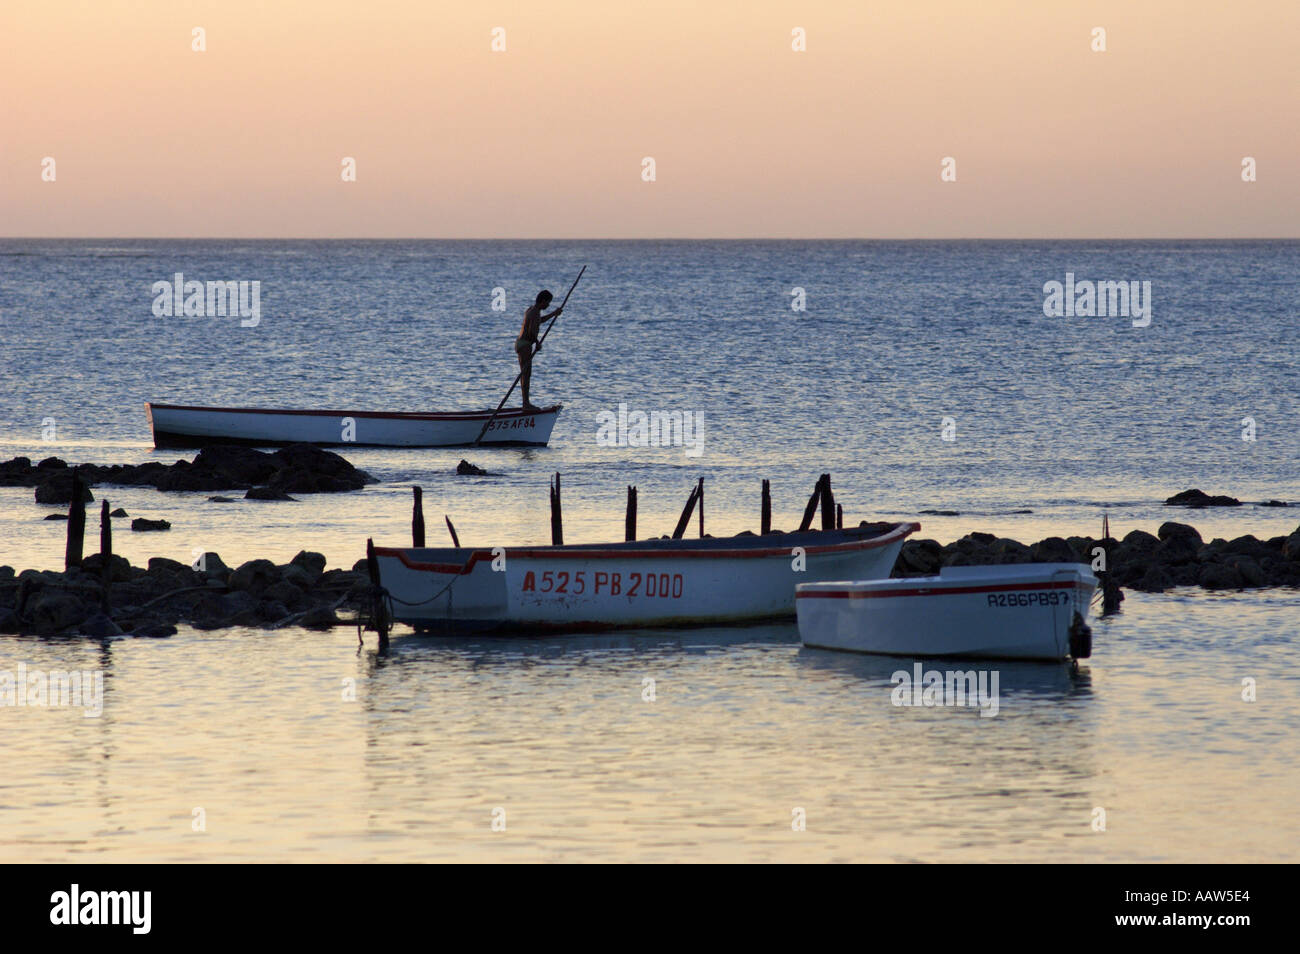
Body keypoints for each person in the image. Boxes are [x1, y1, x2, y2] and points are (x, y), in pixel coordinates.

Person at [516, 290, 562, 410]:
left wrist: (554, 314)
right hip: (525, 345)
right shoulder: (535, 312)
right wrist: (537, 343)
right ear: (543, 301)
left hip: (521, 343)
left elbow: (539, 321)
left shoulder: (531, 310)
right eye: (548, 302)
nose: (548, 305)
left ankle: (525, 402)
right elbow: (531, 331)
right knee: (526, 375)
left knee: (525, 374)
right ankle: (526, 404)